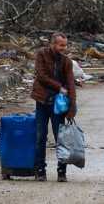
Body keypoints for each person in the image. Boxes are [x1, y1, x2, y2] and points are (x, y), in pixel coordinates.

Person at [31, 32, 76, 182]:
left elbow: (70, 84)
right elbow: (41, 76)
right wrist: (59, 87)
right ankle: (40, 170)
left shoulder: (66, 62)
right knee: (40, 137)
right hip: (42, 101)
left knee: (61, 138)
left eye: (65, 45)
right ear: (52, 44)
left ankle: (62, 171)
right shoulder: (41, 55)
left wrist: (72, 107)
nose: (64, 48)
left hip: (58, 105)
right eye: (61, 45)